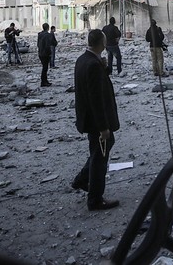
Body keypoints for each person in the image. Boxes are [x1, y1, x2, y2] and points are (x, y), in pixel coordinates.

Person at [72, 29, 120, 211]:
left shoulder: (84, 60)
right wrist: (103, 128)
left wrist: (105, 67)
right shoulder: (92, 65)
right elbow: (95, 99)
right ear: (101, 43)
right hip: (95, 120)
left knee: (97, 151)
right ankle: (95, 198)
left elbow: (96, 83)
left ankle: (83, 179)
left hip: (87, 118)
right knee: (100, 156)